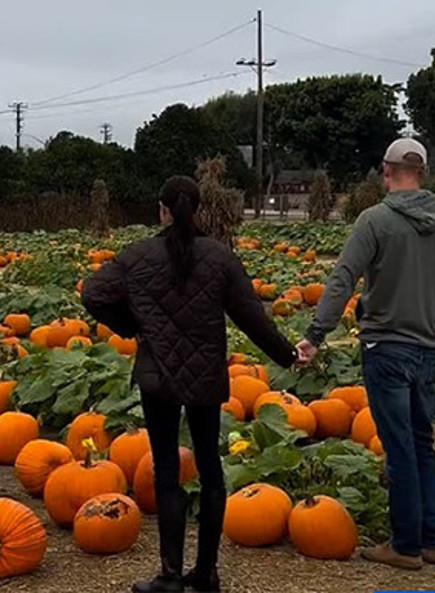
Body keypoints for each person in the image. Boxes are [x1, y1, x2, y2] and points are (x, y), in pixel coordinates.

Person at [82, 176, 298, 593]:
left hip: (157, 376)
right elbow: (252, 318)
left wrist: (132, 327)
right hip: (205, 375)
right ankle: (206, 574)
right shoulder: (220, 257)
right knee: (211, 470)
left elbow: (92, 293)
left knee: (167, 472)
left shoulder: (137, 256)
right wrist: (289, 356)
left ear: (162, 209)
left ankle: (169, 575)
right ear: (195, 210)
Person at [296, 138, 435, 570]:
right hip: (427, 348)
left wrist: (316, 333)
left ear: (386, 170)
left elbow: (342, 279)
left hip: (386, 346)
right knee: (423, 441)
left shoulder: (375, 220)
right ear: (424, 172)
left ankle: (406, 545)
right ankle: (431, 540)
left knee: (399, 448)